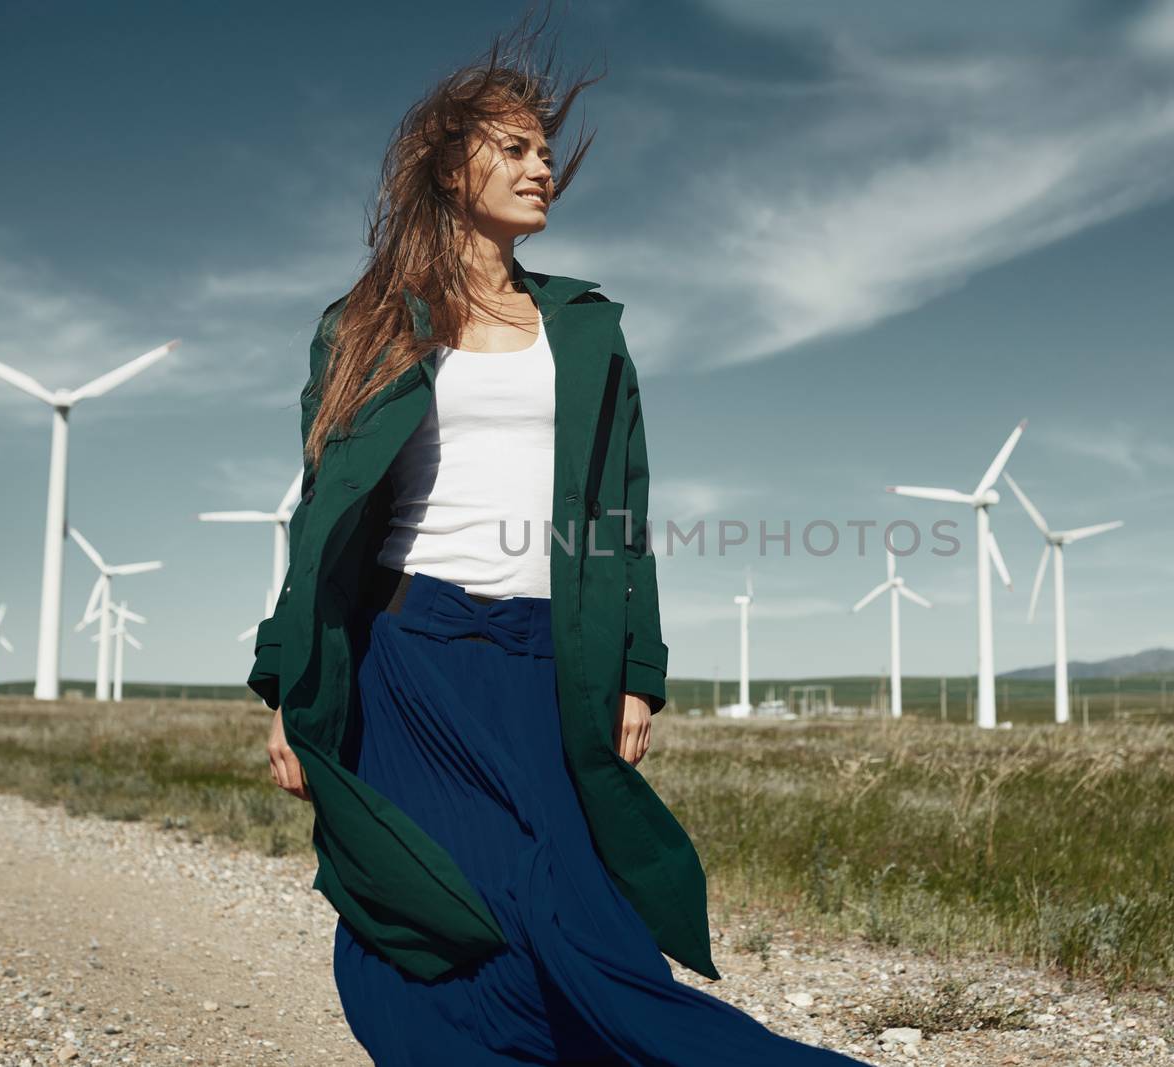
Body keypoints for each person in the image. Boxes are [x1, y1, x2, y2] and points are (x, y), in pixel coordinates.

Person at [249, 12, 870, 1066]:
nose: (543, 169)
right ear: (451, 169)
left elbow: (623, 509)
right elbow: (320, 514)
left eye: (545, 151)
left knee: (586, 931)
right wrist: (285, 689)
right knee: (429, 920)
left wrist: (637, 669)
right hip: (409, 660)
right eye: (515, 149)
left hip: (547, 658)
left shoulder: (586, 328)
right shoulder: (363, 324)